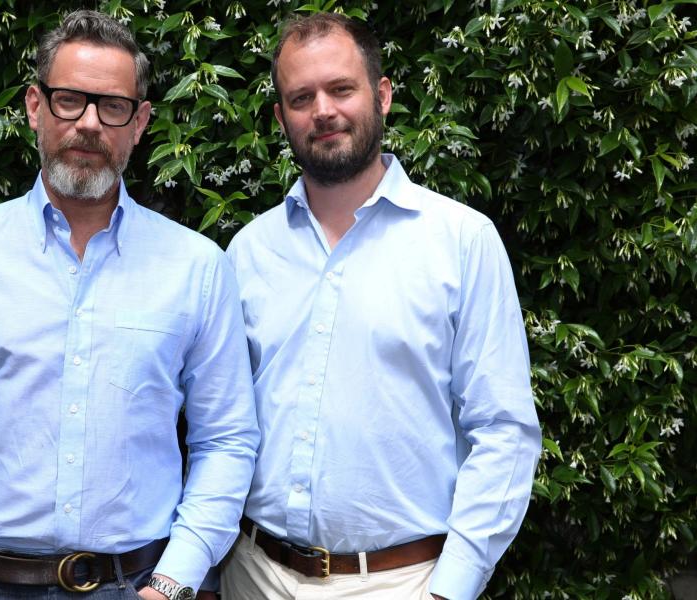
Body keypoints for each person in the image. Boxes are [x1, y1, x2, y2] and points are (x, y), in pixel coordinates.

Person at [0, 10, 258, 600]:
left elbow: (227, 439)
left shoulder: (197, 267)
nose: (89, 123)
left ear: (139, 122)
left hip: (140, 584)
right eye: (70, 100)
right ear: (36, 107)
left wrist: (172, 585)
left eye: (112, 106)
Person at [221, 12, 541, 600]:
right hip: (254, 575)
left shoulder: (461, 240)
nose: (323, 110)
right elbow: (222, 428)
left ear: (383, 95)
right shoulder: (248, 252)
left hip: (402, 582)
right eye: (301, 97)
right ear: (280, 117)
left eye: (341, 88)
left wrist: (451, 589)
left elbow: (504, 431)